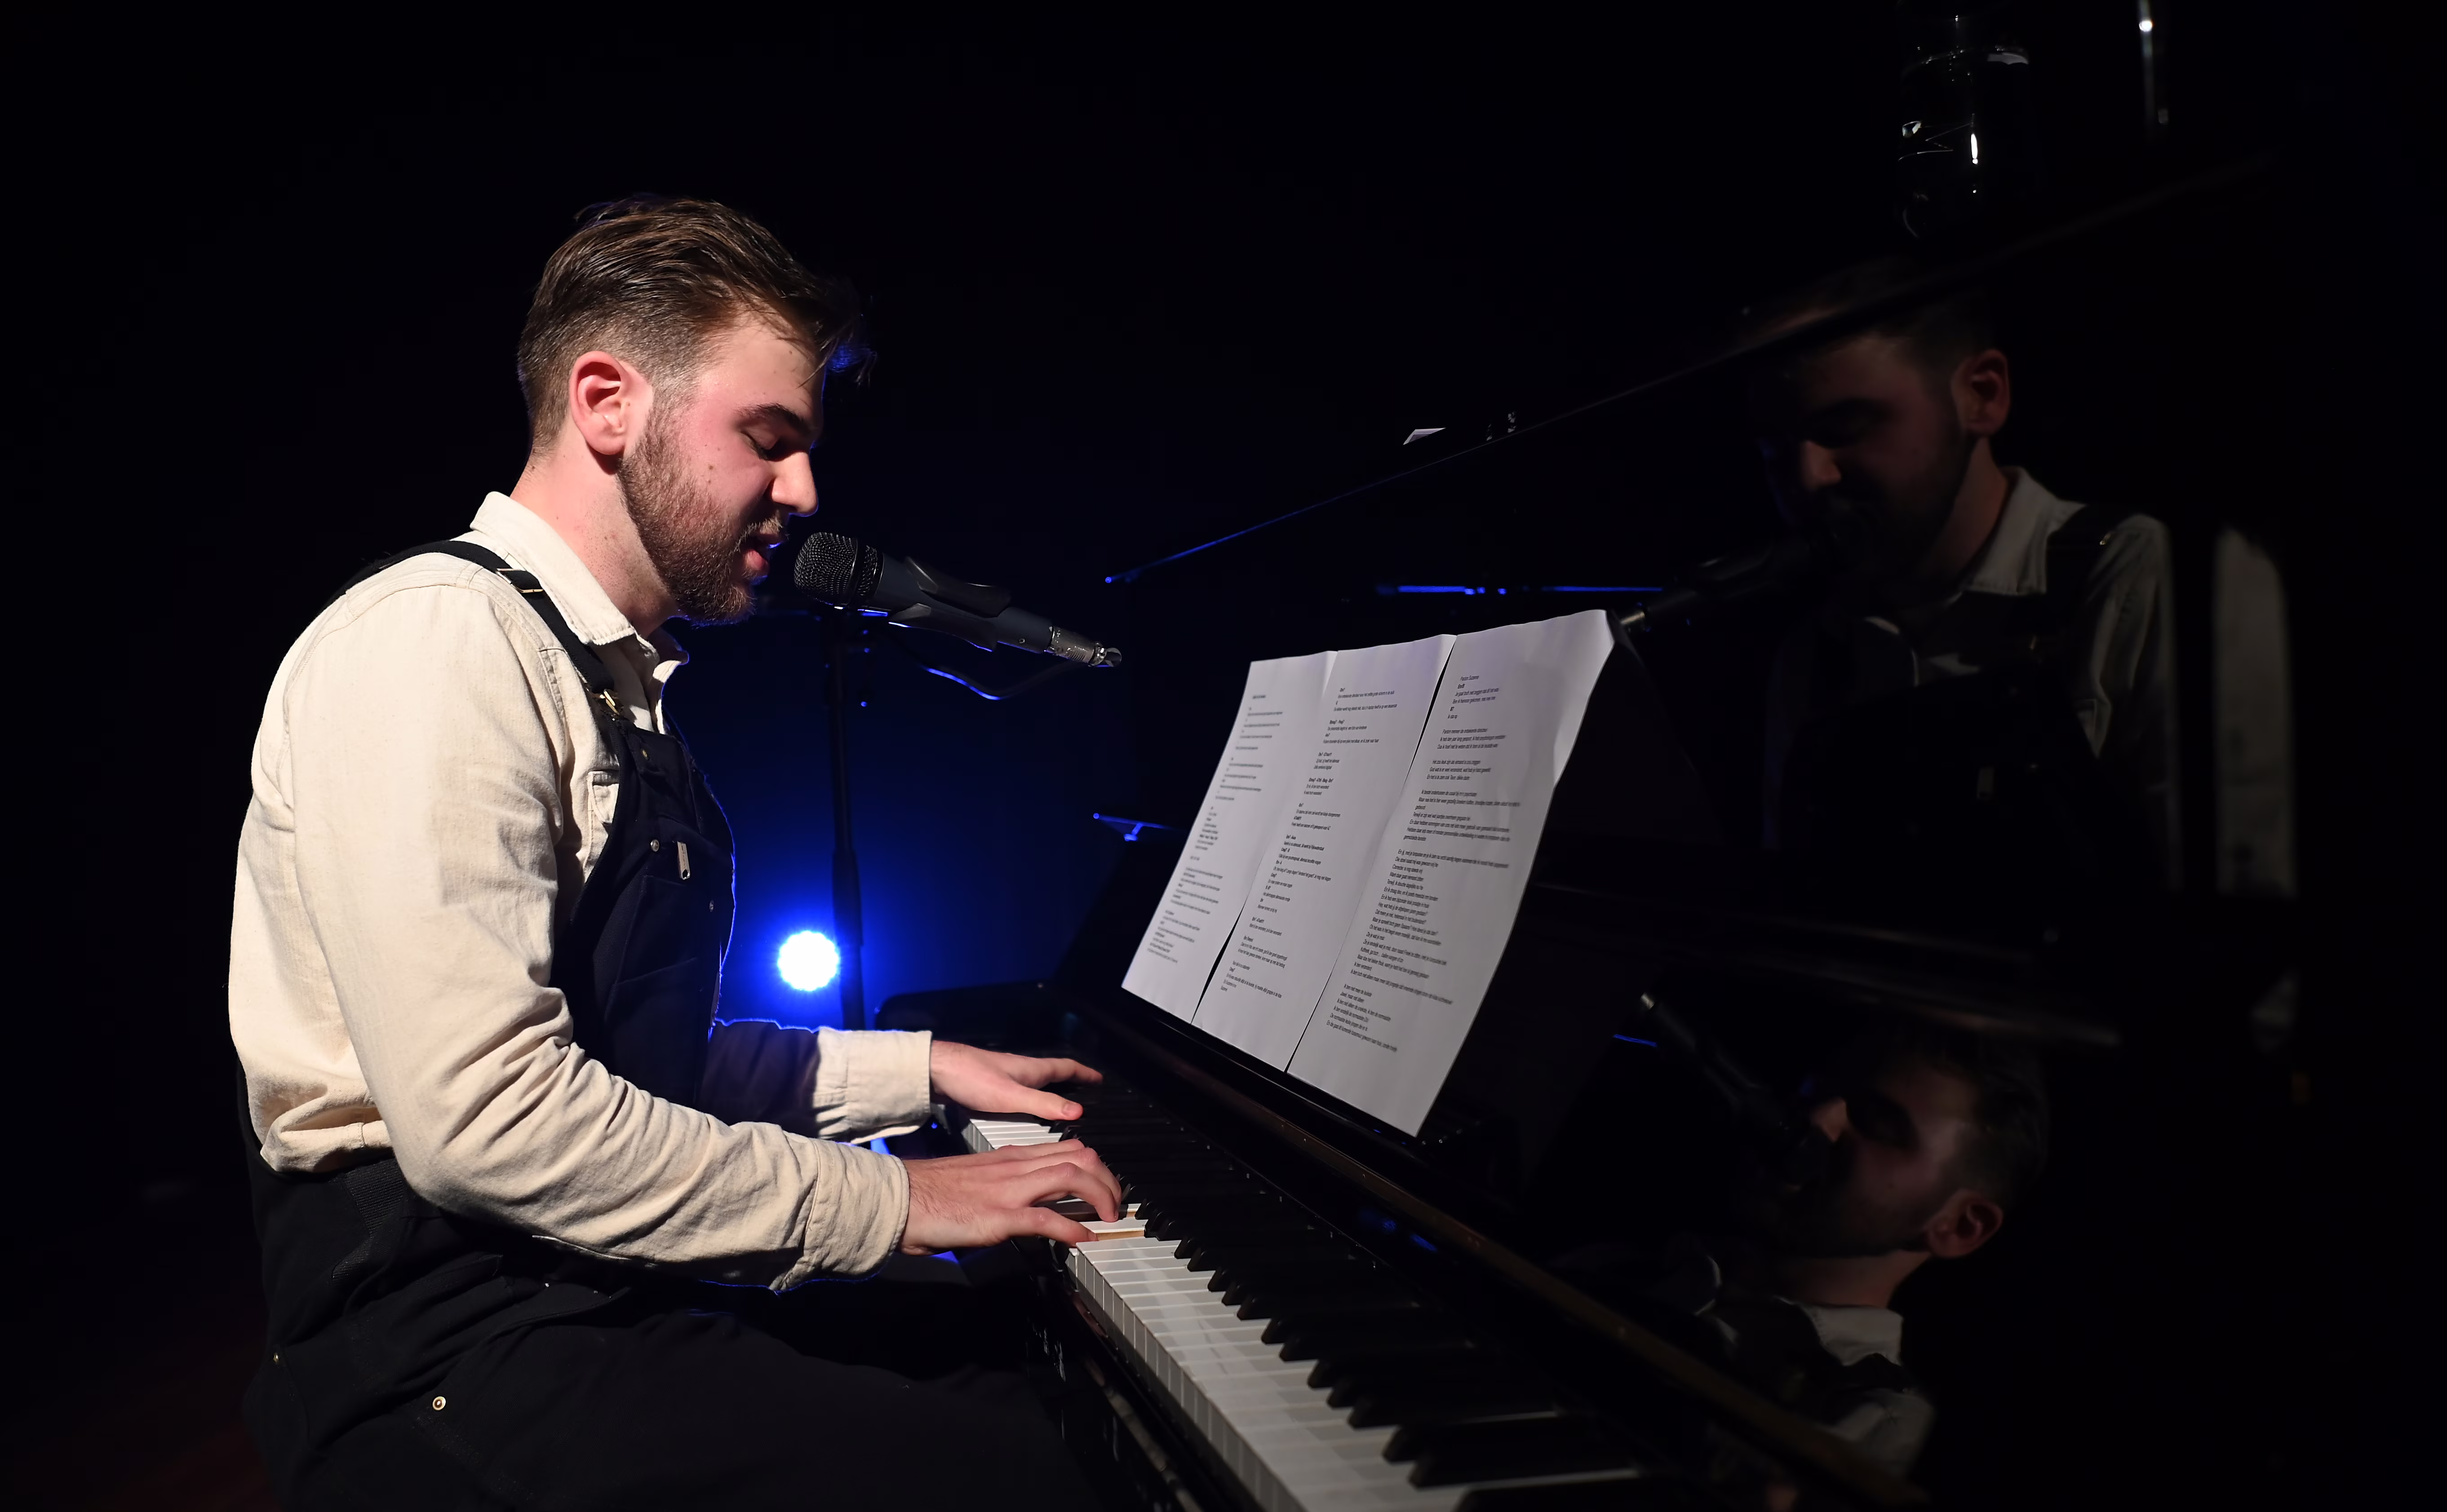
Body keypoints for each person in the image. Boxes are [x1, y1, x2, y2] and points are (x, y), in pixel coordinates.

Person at [228, 196, 1122, 1510]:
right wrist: (897, 1205)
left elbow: (644, 1071)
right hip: (445, 1351)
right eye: (770, 439)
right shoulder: (434, 641)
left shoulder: (608, 684)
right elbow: (493, 1122)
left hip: (585, 1291)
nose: (805, 493)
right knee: (1021, 1468)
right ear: (607, 403)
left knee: (1014, 1366)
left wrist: (920, 1068)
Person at [1743, 258, 2181, 884]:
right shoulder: (1811, 657)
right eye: (1773, 451)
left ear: (1982, 395)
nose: (1809, 477)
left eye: (1843, 428)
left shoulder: (2133, 577)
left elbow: (2237, 911)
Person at [1562, 1019, 2049, 1483]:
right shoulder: (1616, 1265)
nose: (1815, 1121)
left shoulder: (1882, 1432)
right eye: (1816, 1091)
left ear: (1960, 1227)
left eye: (1876, 1122)